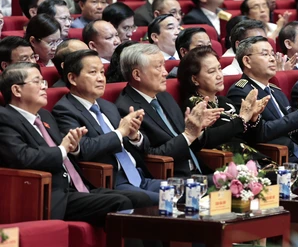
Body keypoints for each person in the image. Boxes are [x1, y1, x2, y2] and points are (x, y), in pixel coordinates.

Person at [0, 62, 156, 247]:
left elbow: (65, 151)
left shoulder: (44, 116)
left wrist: (72, 148)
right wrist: (63, 149)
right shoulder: (5, 118)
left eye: (43, 81)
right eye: (37, 82)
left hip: (77, 188)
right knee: (120, 203)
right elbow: (22, 157)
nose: (44, 86)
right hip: (49, 196)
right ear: (16, 90)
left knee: (140, 200)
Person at [52, 48, 164, 201]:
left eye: (102, 72)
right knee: (165, 200)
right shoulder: (64, 109)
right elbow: (83, 148)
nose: (101, 78)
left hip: (140, 177)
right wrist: (120, 133)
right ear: (72, 78)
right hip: (112, 183)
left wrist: (134, 136)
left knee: (188, 190)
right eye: (93, 72)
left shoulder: (108, 106)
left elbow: (142, 148)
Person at [114, 43, 219, 178]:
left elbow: (184, 138)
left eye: (164, 65)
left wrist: (197, 129)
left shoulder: (164, 96)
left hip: (199, 170)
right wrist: (189, 134)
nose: (165, 73)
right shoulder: (127, 109)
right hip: (172, 178)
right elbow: (150, 156)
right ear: (137, 74)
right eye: (158, 67)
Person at [227, 36, 298, 163]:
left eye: (272, 54)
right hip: (275, 160)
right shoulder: (241, 92)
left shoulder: (276, 91)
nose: (272, 59)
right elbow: (261, 133)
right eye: (265, 54)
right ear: (247, 61)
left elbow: (293, 135)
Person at [177, 45, 270, 164]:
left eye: (219, 69)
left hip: (249, 157)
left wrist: (253, 118)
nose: (219, 75)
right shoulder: (195, 104)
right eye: (211, 72)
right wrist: (241, 120)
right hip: (225, 163)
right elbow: (207, 139)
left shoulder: (224, 101)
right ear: (195, 79)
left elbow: (250, 138)